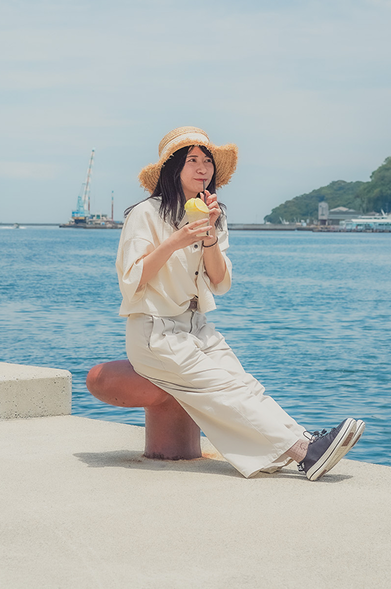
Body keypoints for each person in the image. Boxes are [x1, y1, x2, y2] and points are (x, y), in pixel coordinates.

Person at [115, 126, 364, 479]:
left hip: (196, 326)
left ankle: (305, 441)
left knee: (243, 383)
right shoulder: (146, 213)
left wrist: (211, 235)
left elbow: (219, 282)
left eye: (207, 162)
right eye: (192, 160)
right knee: (224, 388)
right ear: (173, 168)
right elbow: (131, 280)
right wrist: (177, 240)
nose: (202, 168)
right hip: (155, 332)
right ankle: (305, 452)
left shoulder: (211, 212)